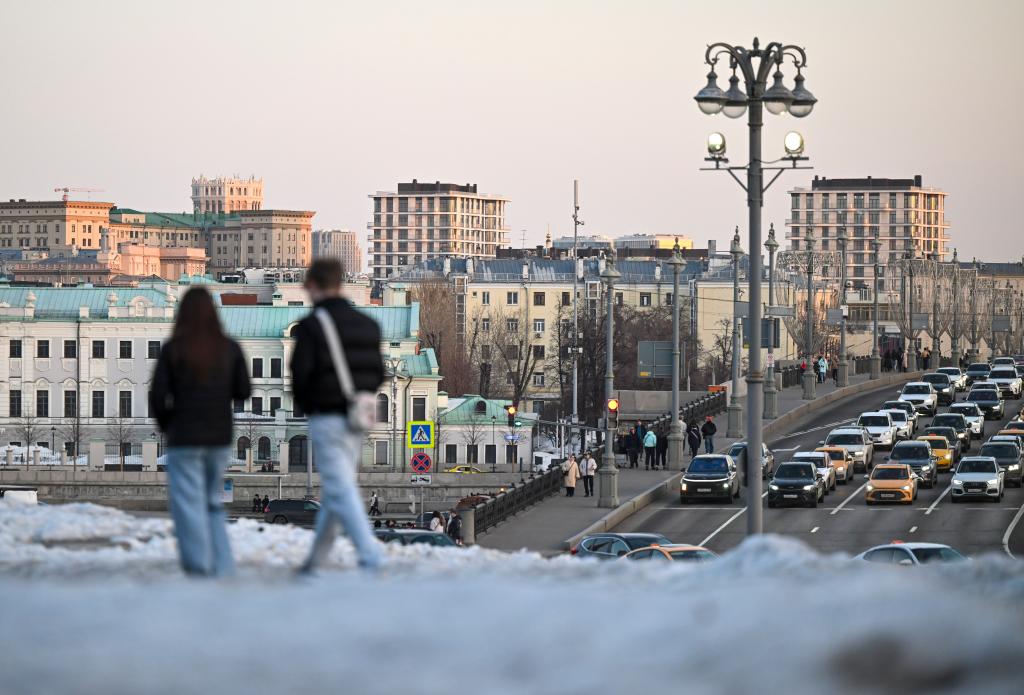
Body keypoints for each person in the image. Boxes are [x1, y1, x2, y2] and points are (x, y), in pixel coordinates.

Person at [291, 258, 386, 574]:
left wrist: (308, 404)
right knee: (336, 487)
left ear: (314, 286)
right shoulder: (367, 324)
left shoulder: (311, 326)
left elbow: (300, 375)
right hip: (357, 417)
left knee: (340, 485)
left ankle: (370, 554)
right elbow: (377, 373)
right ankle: (315, 561)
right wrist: (360, 398)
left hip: (327, 416)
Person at [149, 287, 251, 578]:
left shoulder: (174, 348)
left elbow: (157, 395)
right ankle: (223, 564)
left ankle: (197, 565)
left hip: (183, 436)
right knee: (211, 503)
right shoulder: (229, 347)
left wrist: (168, 425)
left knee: (186, 503)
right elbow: (243, 390)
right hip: (218, 436)